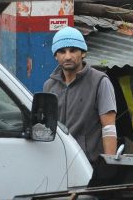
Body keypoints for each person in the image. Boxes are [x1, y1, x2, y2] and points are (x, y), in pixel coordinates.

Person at [43, 26, 117, 162]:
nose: (68, 56)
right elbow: (47, 128)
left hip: (89, 164)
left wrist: (110, 165)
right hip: (59, 162)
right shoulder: (49, 85)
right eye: (62, 51)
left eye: (73, 50)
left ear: (83, 53)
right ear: (55, 55)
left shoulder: (100, 81)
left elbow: (109, 128)